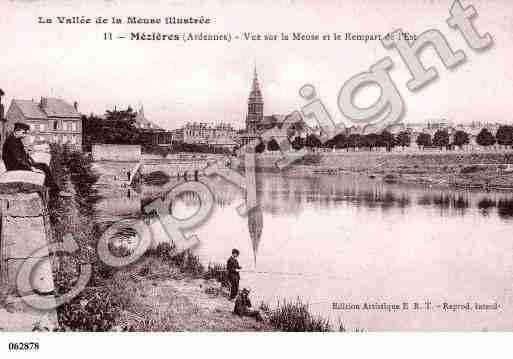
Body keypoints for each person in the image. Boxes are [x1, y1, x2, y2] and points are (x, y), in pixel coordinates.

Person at [2, 122, 69, 197]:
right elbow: (19, 159)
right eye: (23, 133)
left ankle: (54, 190)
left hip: (19, 164)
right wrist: (31, 168)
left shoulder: (16, 139)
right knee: (43, 168)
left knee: (43, 165)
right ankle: (55, 191)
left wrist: (32, 162)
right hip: (14, 166)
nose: (25, 135)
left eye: (26, 133)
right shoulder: (12, 142)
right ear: (17, 131)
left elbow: (24, 155)